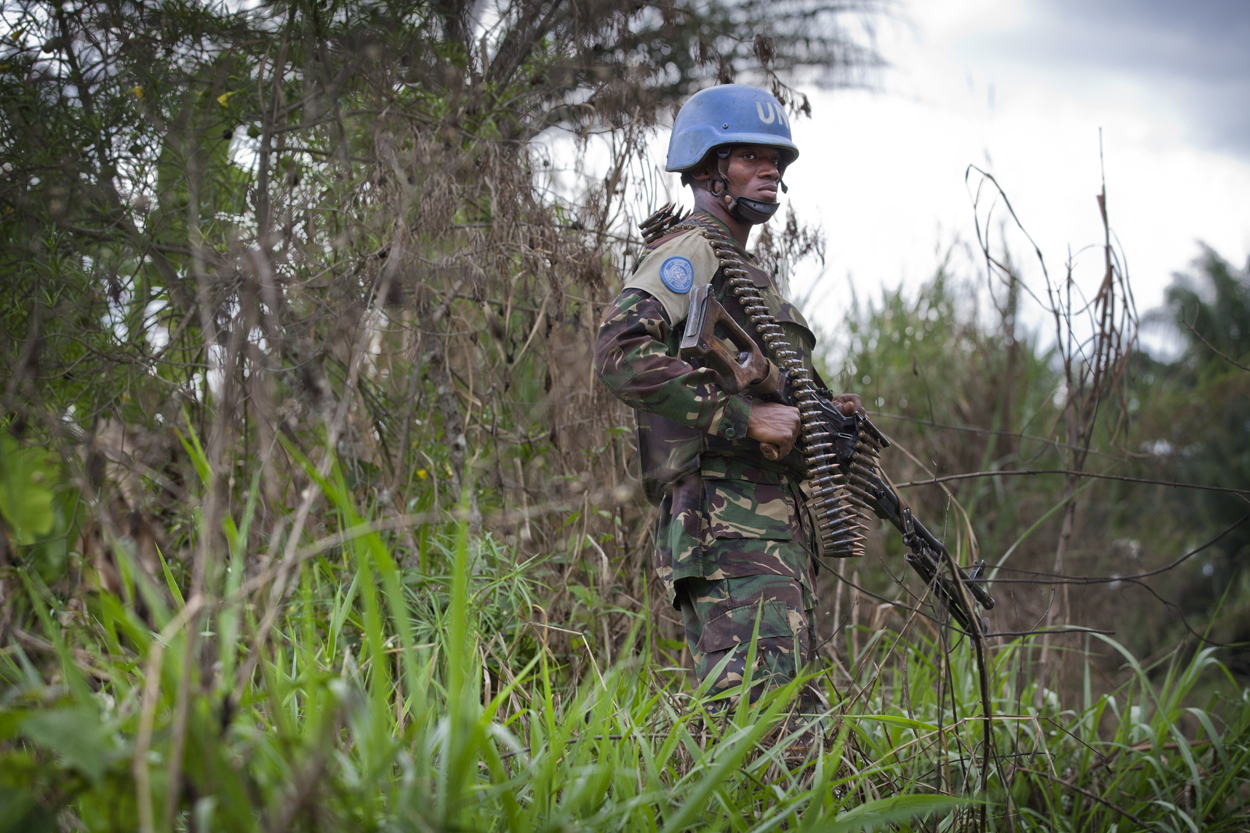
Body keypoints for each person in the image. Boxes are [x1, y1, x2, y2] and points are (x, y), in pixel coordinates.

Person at [594, 84, 861, 704]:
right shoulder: (691, 253)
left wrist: (820, 415)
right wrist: (741, 417)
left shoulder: (745, 275)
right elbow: (618, 352)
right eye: (748, 157)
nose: (770, 171)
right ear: (708, 170)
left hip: (763, 529)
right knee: (765, 729)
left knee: (785, 720)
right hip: (726, 526)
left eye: (778, 161)